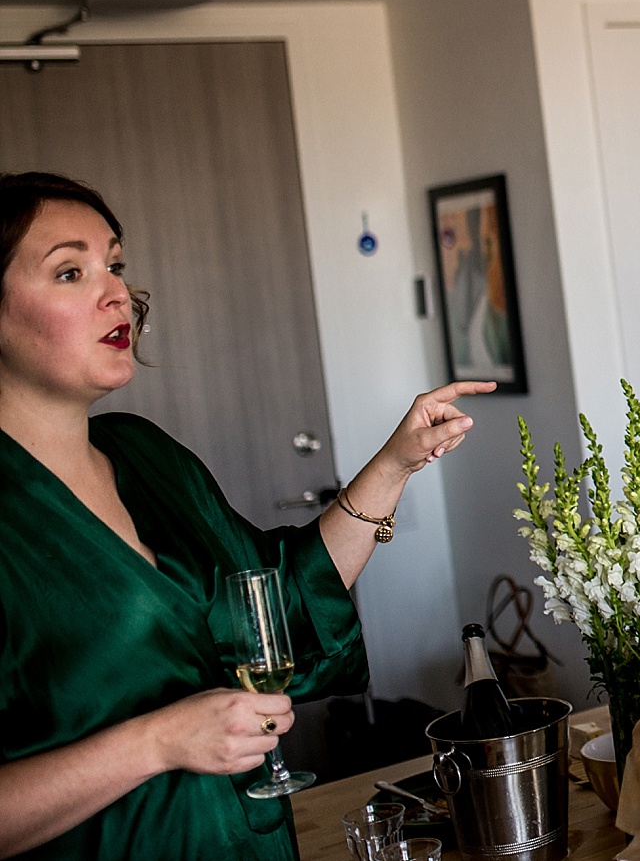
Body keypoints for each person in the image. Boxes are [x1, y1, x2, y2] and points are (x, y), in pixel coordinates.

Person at [0, 171, 495, 860]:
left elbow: (279, 604)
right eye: (69, 272)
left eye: (114, 263)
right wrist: (158, 741)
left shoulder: (148, 458)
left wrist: (395, 462)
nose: (115, 291)